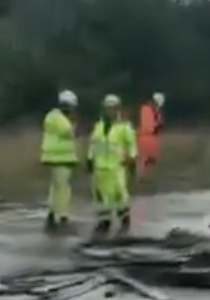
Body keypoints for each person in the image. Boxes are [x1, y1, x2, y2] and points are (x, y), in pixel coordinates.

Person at [88, 94, 138, 237]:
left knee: (120, 195)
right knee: (103, 197)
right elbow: (94, 144)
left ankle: (124, 222)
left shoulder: (124, 127)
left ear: (117, 109)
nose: (109, 111)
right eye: (107, 108)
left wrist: (132, 159)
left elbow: (131, 144)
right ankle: (105, 222)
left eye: (112, 108)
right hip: (100, 168)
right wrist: (90, 159)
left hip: (117, 167)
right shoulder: (99, 126)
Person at [41, 90, 79, 233]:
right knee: (63, 189)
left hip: (53, 157)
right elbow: (69, 132)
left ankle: (51, 215)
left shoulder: (51, 116)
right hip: (61, 158)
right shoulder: (60, 119)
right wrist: (73, 123)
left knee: (55, 188)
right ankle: (63, 217)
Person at [137, 92, 164, 175]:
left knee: (149, 161)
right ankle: (139, 177)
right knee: (143, 160)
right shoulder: (147, 110)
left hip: (151, 138)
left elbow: (158, 125)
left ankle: (144, 177)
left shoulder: (156, 112)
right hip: (145, 137)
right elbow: (148, 126)